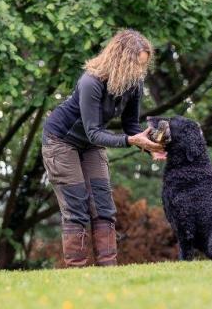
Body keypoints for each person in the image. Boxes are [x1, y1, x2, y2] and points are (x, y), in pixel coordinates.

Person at [41, 29, 166, 268]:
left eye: (143, 66)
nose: (140, 72)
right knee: (76, 206)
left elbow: (131, 125)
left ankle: (108, 270)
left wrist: (150, 146)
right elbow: (94, 131)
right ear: (121, 59)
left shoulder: (134, 85)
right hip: (61, 140)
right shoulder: (91, 82)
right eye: (137, 66)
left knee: (103, 205)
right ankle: (77, 271)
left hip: (90, 143)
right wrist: (131, 141)